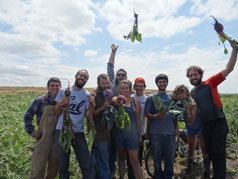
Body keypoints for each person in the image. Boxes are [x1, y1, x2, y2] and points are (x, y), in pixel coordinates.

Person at [186, 41, 237, 179]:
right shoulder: (193, 92)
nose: (193, 77)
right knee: (210, 152)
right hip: (205, 125)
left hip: (218, 122)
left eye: (195, 74)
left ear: (200, 75)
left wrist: (234, 50)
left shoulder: (211, 83)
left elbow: (229, 68)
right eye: (190, 76)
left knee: (218, 153)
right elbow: (194, 109)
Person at [54, 69, 94, 179]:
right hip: (62, 131)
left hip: (78, 132)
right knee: (63, 165)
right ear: (76, 76)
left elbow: (87, 114)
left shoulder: (86, 94)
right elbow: (56, 111)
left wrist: (92, 105)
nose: (83, 78)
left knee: (86, 163)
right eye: (81, 75)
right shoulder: (63, 91)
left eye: (86, 77)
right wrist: (62, 103)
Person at [24, 77, 61, 179]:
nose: (54, 88)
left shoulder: (63, 101)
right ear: (48, 87)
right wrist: (32, 131)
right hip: (42, 138)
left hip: (57, 138)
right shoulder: (40, 101)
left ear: (60, 87)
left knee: (53, 169)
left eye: (57, 85)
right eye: (52, 85)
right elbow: (27, 116)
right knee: (38, 167)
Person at [172, 85, 209, 178]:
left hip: (200, 125)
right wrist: (176, 127)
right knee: (191, 147)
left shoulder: (192, 102)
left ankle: (207, 170)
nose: (181, 97)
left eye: (183, 94)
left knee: (204, 148)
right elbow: (175, 117)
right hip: (190, 127)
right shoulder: (178, 103)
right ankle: (189, 167)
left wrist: (187, 110)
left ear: (187, 94)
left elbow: (191, 120)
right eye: (179, 95)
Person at [145, 74, 176, 179]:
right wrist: (155, 116)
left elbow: (174, 116)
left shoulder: (172, 97)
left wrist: (176, 129)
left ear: (167, 83)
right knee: (157, 156)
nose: (162, 84)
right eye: (160, 82)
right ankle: (157, 175)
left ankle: (168, 175)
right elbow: (147, 114)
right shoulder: (151, 98)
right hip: (156, 132)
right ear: (156, 83)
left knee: (170, 156)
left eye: (164, 81)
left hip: (170, 132)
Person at [112, 79, 143, 179]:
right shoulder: (117, 100)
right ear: (119, 89)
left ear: (130, 89)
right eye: (122, 88)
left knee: (134, 160)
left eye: (126, 88)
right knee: (121, 157)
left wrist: (139, 136)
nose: (124, 90)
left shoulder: (135, 101)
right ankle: (121, 177)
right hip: (119, 133)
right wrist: (117, 100)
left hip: (132, 135)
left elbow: (138, 119)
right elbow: (113, 100)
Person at [107, 43, 127, 178]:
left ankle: (124, 172)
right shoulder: (113, 84)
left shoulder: (127, 87)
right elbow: (110, 67)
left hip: (124, 120)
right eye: (119, 74)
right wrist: (113, 52)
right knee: (111, 146)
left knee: (123, 147)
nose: (120, 75)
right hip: (111, 119)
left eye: (122, 74)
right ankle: (112, 172)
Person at [91, 74, 112, 179]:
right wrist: (103, 107)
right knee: (102, 160)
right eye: (103, 83)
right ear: (98, 83)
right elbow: (92, 114)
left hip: (108, 133)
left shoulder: (110, 93)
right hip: (99, 133)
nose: (105, 85)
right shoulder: (94, 96)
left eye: (107, 83)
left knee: (103, 159)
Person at [127, 77, 147, 179]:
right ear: (134, 87)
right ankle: (131, 176)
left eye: (141, 86)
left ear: (144, 87)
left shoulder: (147, 99)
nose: (139, 88)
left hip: (141, 132)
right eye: (137, 86)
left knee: (138, 158)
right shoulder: (129, 97)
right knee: (129, 158)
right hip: (129, 133)